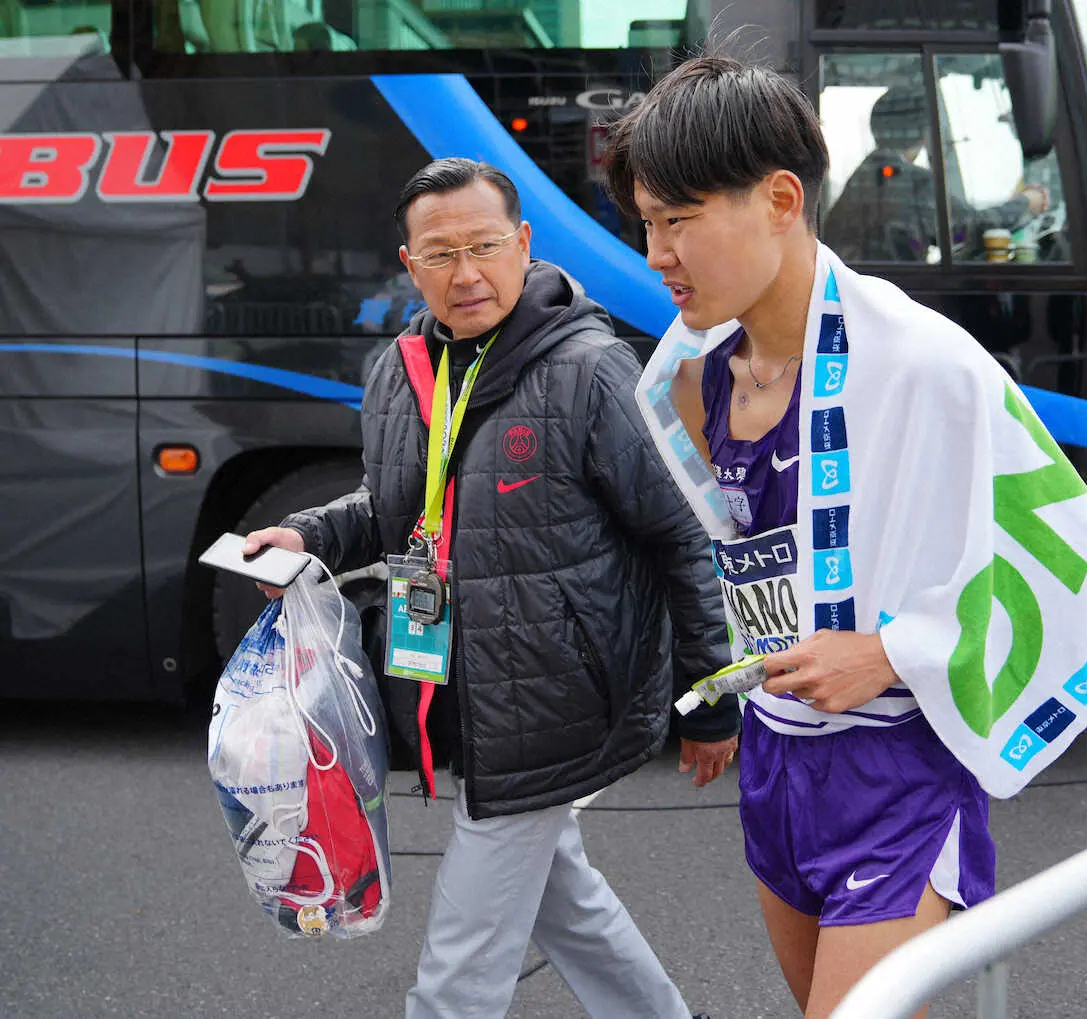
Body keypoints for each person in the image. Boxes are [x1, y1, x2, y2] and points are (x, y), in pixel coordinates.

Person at [604, 56, 1087, 1019]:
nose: (656, 251)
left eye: (679, 219)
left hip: (898, 768)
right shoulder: (690, 377)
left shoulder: (924, 363)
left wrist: (890, 651)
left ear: (781, 198)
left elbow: (1060, 556)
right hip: (776, 757)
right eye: (647, 222)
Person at [243, 157, 738, 1019]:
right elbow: (402, 505)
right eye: (440, 254)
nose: (466, 273)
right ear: (409, 264)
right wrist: (313, 532)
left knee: (457, 976)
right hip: (456, 694)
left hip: (554, 705)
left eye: (484, 245)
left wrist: (711, 698)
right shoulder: (398, 373)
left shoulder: (590, 370)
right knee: (568, 906)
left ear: (524, 243)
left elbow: (679, 533)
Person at [821, 83, 1049, 262]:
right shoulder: (910, 181)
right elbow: (966, 228)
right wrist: (1027, 202)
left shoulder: (862, 179)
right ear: (924, 135)